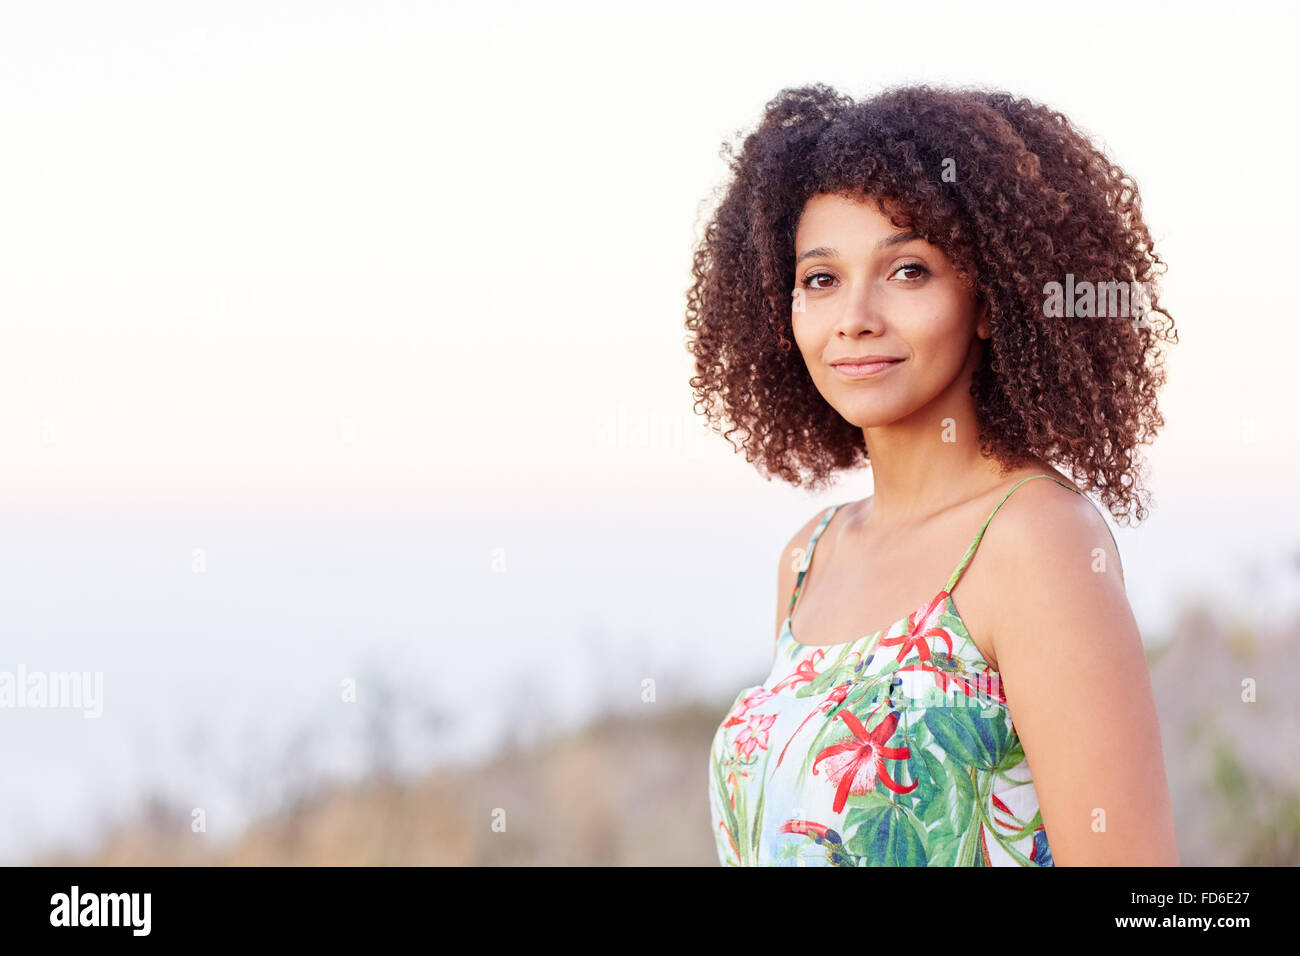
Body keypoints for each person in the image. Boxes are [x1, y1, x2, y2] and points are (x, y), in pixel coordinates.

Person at [686, 83, 1179, 866]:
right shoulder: (809, 558)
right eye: (820, 279)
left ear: (989, 297)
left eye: (907, 271)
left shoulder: (1035, 542)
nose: (855, 316)